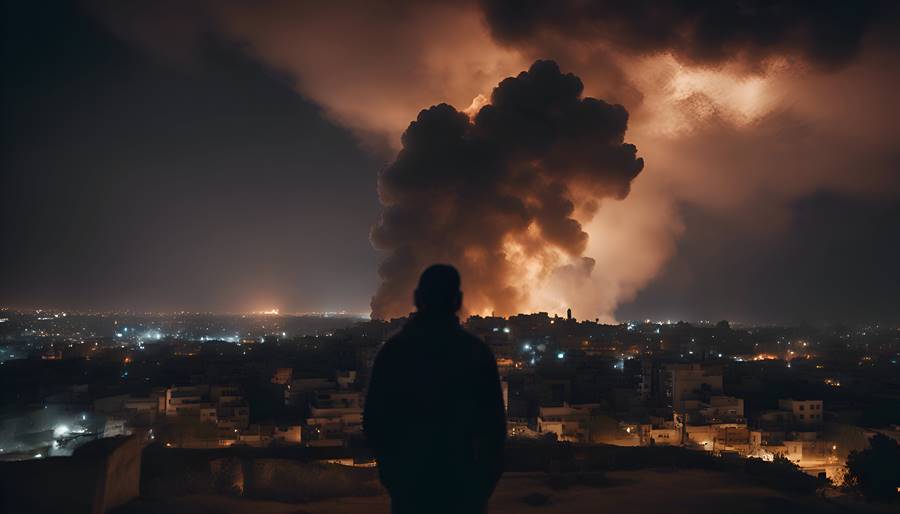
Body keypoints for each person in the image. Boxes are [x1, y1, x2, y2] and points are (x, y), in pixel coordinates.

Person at [364, 264, 506, 514]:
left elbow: (375, 425)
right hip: (462, 489)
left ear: (417, 299)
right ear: (458, 301)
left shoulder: (394, 352)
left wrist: (395, 480)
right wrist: (479, 489)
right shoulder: (476, 353)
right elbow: (494, 433)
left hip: (411, 489)